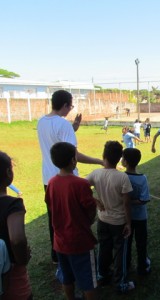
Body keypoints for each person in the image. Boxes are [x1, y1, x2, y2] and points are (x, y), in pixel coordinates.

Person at [37, 90, 103, 264]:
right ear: (65, 104)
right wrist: (99, 161)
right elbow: (74, 154)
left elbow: (56, 139)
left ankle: (56, 255)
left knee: (55, 217)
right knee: (75, 218)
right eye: (70, 106)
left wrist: (73, 128)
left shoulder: (41, 121)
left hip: (49, 180)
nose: (70, 109)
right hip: (68, 180)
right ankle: (77, 253)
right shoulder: (63, 124)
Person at [45, 142, 98, 300]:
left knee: (67, 277)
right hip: (80, 241)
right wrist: (88, 221)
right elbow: (90, 210)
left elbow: (49, 203)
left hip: (60, 242)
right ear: (73, 161)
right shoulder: (81, 184)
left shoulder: (52, 183)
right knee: (88, 281)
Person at [86, 141, 135, 293]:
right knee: (120, 252)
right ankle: (120, 283)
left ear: (103, 156)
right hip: (119, 222)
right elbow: (126, 204)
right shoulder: (122, 178)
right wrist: (129, 224)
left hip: (103, 220)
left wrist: (95, 200)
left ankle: (102, 275)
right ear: (120, 158)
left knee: (104, 247)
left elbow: (81, 187)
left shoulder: (95, 174)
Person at [0, 151, 32, 299]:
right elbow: (17, 239)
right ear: (8, 172)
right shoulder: (13, 205)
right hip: (12, 275)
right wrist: (23, 258)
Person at [122, 148, 151, 275]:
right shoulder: (143, 178)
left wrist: (127, 202)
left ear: (126, 162)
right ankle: (142, 267)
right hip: (140, 217)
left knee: (126, 243)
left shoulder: (122, 177)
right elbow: (144, 200)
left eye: (123, 158)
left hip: (125, 218)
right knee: (141, 243)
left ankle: (126, 265)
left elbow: (121, 198)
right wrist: (134, 201)